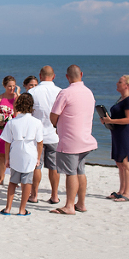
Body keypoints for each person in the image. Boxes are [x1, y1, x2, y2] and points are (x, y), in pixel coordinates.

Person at [49, 65, 97, 215]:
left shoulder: (65, 93)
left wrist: (56, 125)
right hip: (85, 138)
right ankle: (81, 203)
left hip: (70, 140)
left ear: (67, 77)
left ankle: (70, 205)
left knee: (71, 173)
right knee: (80, 171)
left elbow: (53, 114)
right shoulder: (89, 92)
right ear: (81, 74)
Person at [0, 94, 43, 216]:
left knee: (13, 181)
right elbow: (40, 143)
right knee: (27, 182)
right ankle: (22, 209)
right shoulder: (37, 122)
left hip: (16, 151)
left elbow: (7, 142)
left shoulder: (12, 122)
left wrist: (7, 158)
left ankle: (8, 208)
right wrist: (38, 158)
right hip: (30, 152)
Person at [100, 75, 129, 202]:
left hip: (125, 134)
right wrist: (107, 121)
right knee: (119, 163)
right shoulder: (122, 99)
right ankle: (121, 191)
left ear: (127, 85)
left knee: (126, 163)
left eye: (120, 82)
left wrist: (111, 120)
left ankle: (127, 193)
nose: (117, 83)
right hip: (117, 133)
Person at [28, 66, 62, 204]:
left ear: (40, 76)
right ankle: (54, 195)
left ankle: (34, 195)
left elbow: (28, 113)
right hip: (54, 134)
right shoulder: (60, 92)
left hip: (37, 135)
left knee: (37, 166)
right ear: (53, 76)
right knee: (54, 167)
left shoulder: (32, 92)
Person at [0, 76, 20, 185]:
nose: (12, 88)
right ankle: (1, 179)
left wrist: (18, 95)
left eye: (14, 86)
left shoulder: (17, 98)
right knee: (2, 155)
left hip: (14, 128)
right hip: (1, 128)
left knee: (15, 154)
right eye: (9, 86)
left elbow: (20, 112)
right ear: (4, 86)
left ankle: (16, 180)